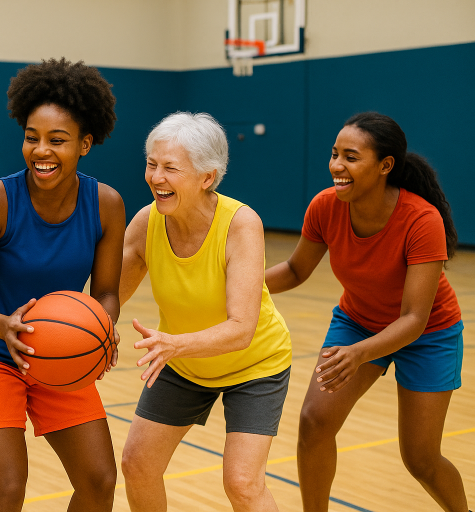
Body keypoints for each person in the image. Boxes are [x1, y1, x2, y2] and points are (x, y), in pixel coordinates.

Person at [0, 58, 125, 512]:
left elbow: (105, 292)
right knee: (5, 493)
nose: (41, 150)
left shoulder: (105, 204)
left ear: (85, 143)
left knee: (99, 481)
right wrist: (2, 325)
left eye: (57, 141)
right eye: (32, 137)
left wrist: (103, 326)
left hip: (60, 351)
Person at [265, 112, 468, 512]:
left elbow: (414, 318)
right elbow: (294, 270)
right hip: (357, 322)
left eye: (351, 157)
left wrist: (359, 353)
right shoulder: (325, 206)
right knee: (314, 423)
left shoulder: (422, 220)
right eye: (334, 154)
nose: (336, 166)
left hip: (427, 335)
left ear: (385, 166)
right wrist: (238, 286)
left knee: (421, 459)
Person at [119, 112, 292, 512]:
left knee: (243, 483)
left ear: (207, 178)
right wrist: (86, 328)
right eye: (151, 164)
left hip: (254, 365)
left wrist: (173, 345)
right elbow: (107, 296)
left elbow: (241, 329)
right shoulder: (146, 223)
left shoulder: (241, 224)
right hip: (183, 362)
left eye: (170, 168)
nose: (155, 177)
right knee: (138, 465)